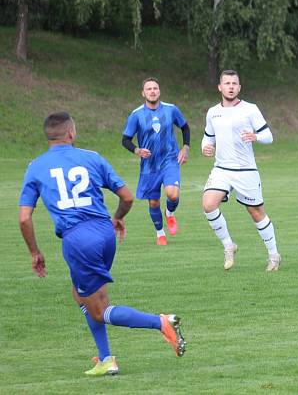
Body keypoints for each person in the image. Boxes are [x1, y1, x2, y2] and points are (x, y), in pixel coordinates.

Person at [19, 112, 186, 377]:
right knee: (81, 294)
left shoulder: (36, 166)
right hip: (104, 233)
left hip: (77, 241)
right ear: (71, 133)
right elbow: (128, 197)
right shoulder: (92, 157)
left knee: (98, 310)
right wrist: (117, 218)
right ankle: (106, 359)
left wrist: (35, 252)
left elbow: (25, 218)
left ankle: (161, 322)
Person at [201, 69, 281, 272]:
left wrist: (256, 137)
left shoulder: (250, 109)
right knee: (208, 205)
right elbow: (208, 137)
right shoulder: (213, 112)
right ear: (220, 87)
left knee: (256, 213)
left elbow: (268, 136)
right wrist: (205, 147)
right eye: (226, 83)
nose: (230, 86)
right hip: (221, 169)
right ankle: (229, 245)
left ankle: (273, 255)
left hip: (245, 170)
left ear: (239, 87)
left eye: (234, 83)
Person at [122, 78, 190, 245]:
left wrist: (185, 148)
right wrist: (137, 150)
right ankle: (160, 233)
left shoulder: (171, 109)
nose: (152, 91)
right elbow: (125, 140)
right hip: (149, 165)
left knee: (172, 194)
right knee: (153, 201)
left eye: (155, 88)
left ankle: (170, 214)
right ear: (143, 93)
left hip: (170, 159)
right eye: (149, 89)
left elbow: (185, 127)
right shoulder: (136, 115)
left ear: (159, 91)